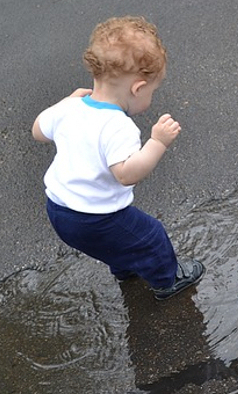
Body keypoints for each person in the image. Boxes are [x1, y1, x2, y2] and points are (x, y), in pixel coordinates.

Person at [31, 16, 204, 300]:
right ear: (137, 88)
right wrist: (157, 142)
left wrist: (64, 103)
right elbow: (126, 174)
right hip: (94, 217)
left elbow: (38, 131)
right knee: (150, 236)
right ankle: (168, 280)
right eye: (152, 90)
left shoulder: (71, 107)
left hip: (58, 209)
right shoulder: (118, 126)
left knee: (118, 241)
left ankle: (125, 268)